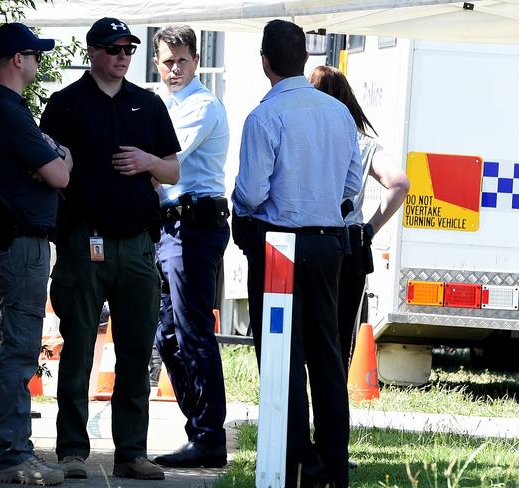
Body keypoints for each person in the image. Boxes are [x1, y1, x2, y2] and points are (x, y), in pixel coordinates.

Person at [39, 17, 180, 481]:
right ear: (93, 51)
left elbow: (173, 172)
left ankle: (131, 453)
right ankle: (73, 452)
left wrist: (148, 162)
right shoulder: (65, 104)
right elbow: (45, 170)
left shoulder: (148, 103)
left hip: (138, 246)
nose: (123, 57)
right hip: (85, 242)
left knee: (137, 352)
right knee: (78, 349)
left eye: (129, 49)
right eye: (115, 49)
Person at [231, 20, 362, 488]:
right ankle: (332, 465)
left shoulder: (265, 116)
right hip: (328, 242)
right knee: (326, 355)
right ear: (305, 59)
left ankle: (289, 461)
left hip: (280, 244)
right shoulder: (338, 113)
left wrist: (248, 207)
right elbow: (351, 186)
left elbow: (250, 192)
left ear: (265, 62)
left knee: (282, 354)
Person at [0, 22, 73, 486]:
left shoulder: (5, 109)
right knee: (18, 349)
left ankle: (16, 451)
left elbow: (54, 165)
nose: (38, 62)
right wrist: (56, 159)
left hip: (18, 239)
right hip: (20, 242)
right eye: (35, 55)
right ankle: (13, 456)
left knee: (18, 347)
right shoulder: (8, 112)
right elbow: (60, 174)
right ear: (18, 59)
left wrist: (54, 159)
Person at [150, 25, 230, 468]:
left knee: (192, 331)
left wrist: (137, 159)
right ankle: (200, 430)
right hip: (172, 228)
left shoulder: (200, 104)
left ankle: (208, 437)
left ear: (196, 60)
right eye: (167, 61)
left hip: (194, 225)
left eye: (182, 60)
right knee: (169, 337)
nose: (174, 68)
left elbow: (167, 160)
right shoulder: (166, 103)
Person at [308, 65, 410, 378]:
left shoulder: (308, 137)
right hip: (350, 246)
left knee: (305, 330)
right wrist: (369, 229)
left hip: (310, 241)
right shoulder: (364, 143)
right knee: (339, 337)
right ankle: (333, 413)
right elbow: (399, 184)